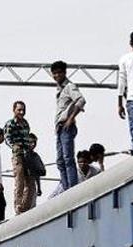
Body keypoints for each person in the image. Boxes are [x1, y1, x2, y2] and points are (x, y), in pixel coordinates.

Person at [51, 61, 86, 193]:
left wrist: (71, 119)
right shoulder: (60, 90)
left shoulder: (69, 87)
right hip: (60, 128)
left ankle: (72, 189)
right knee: (60, 161)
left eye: (59, 72)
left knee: (67, 158)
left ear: (64, 73)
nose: (56, 75)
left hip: (67, 127)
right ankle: (66, 189)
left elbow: (81, 100)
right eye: (54, 73)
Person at [5, 101, 38, 215]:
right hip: (18, 155)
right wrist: (15, 147)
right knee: (19, 182)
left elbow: (27, 137)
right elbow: (8, 138)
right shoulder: (10, 124)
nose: (21, 112)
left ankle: (25, 207)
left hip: (27, 155)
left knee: (30, 182)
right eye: (19, 110)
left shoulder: (25, 123)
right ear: (14, 110)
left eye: (23, 110)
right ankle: (18, 207)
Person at [27, 134, 47, 200]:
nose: (32, 144)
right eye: (30, 142)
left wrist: (39, 188)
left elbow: (38, 173)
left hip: (32, 184)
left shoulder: (35, 155)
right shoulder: (22, 155)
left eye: (34, 142)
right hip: (25, 184)